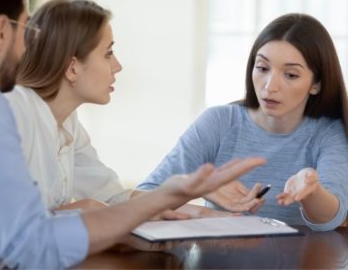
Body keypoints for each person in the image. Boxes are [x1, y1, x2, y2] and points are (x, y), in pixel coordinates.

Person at [0, 0, 266, 268]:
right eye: (24, 28)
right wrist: (159, 201)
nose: (26, 45)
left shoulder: (51, 119)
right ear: (2, 30)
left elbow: (109, 197)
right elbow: (30, 242)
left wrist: (195, 210)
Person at [4, 0, 230, 219]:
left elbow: (114, 198)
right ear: (72, 68)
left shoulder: (68, 121)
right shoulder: (15, 111)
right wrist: (83, 211)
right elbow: (7, 223)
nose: (117, 66)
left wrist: (198, 210)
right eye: (108, 53)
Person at [138, 13, 348, 231]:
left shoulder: (328, 133)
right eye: (263, 68)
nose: (270, 86)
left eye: (291, 75)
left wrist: (311, 191)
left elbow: (330, 220)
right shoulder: (219, 122)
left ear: (316, 84)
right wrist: (199, 191)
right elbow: (142, 199)